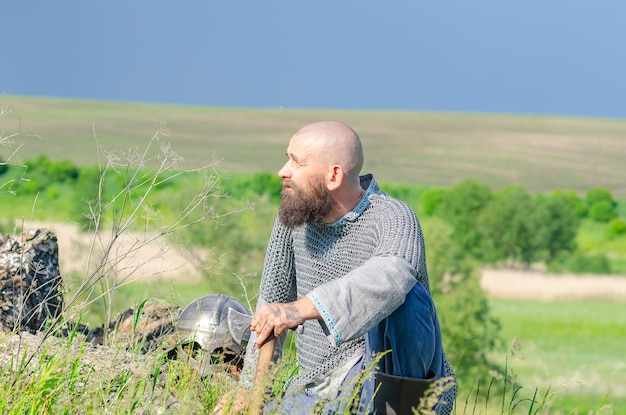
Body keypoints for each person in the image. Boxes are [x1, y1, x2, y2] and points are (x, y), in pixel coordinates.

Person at [215, 121, 456, 414]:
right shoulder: (295, 218)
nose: (283, 170)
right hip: (319, 388)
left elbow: (391, 276)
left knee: (408, 297)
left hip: (392, 388)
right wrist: (249, 392)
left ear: (334, 175)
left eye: (297, 162)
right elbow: (271, 307)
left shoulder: (393, 217)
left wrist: (303, 308)